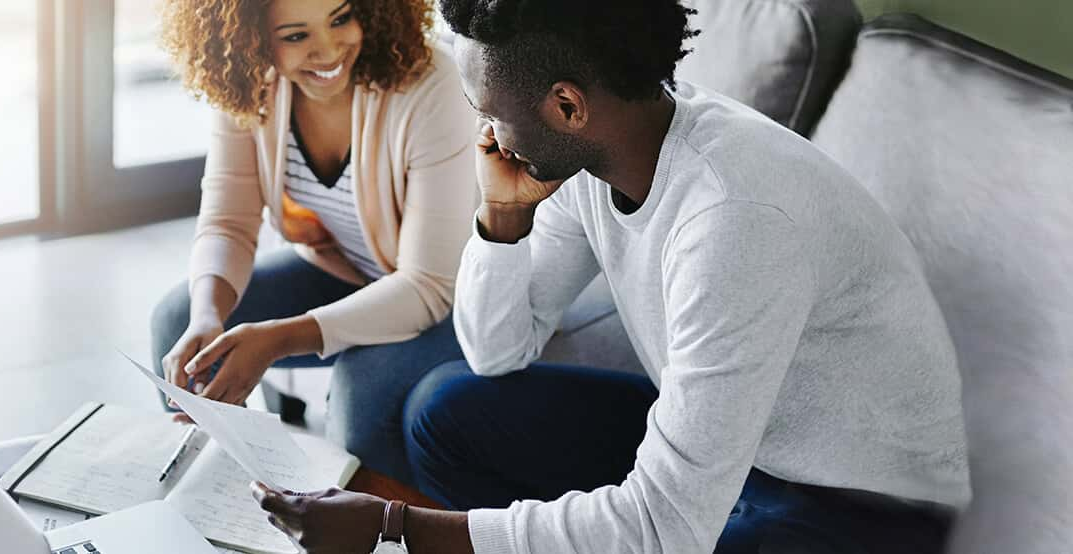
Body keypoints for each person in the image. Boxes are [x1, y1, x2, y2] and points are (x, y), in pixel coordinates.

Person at [254, 0, 970, 552]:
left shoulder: (733, 217)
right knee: (447, 411)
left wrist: (393, 525)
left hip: (854, 506)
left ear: (566, 106)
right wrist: (501, 220)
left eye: (489, 113)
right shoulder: (602, 151)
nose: (484, 137)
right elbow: (497, 350)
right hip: (742, 451)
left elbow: (666, 527)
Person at [147, 0, 478, 485]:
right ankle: (214, 501)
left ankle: (358, 529)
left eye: (341, 18)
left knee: (360, 389)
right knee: (178, 317)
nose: (328, 50)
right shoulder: (250, 85)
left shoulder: (432, 84)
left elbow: (428, 285)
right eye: (296, 36)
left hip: (457, 298)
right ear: (251, 39)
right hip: (352, 271)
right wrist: (207, 315)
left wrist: (278, 338)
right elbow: (227, 223)